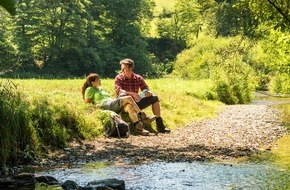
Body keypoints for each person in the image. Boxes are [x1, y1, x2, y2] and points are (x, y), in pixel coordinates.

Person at [82, 73, 156, 136]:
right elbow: (87, 103)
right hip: (105, 105)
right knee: (129, 98)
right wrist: (96, 106)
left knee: (129, 106)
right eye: (98, 79)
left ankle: (139, 128)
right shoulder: (90, 89)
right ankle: (142, 116)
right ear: (92, 82)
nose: (100, 80)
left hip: (111, 104)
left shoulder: (100, 89)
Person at [114, 58, 171, 133]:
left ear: (130, 68)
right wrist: (131, 93)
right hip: (125, 104)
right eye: (122, 69)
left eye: (124, 69)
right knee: (129, 100)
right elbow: (119, 91)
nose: (122, 71)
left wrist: (147, 92)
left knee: (154, 98)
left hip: (136, 102)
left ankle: (160, 125)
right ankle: (142, 119)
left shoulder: (138, 78)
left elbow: (145, 88)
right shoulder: (119, 78)